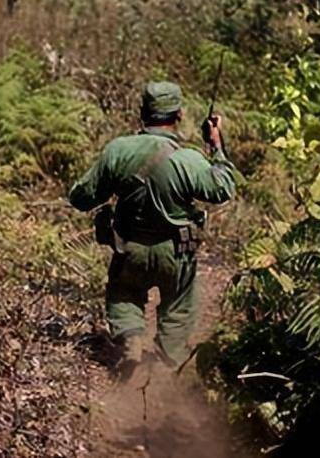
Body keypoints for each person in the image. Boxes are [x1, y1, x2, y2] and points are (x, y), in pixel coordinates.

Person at [68, 81, 236, 371]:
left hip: (129, 250)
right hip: (176, 254)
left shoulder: (117, 151)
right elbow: (222, 189)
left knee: (123, 296)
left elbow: (81, 198)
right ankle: (169, 366)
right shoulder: (189, 160)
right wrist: (216, 147)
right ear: (179, 115)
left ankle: (132, 339)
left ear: (142, 112)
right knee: (178, 309)